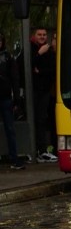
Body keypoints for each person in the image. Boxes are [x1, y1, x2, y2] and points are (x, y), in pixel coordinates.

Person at [31, 27, 57, 163]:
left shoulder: (50, 52)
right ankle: (37, 150)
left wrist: (39, 71)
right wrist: (38, 55)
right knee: (36, 119)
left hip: (45, 91)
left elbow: (52, 70)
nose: (42, 37)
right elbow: (27, 67)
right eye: (39, 34)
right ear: (34, 36)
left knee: (42, 119)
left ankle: (42, 150)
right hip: (33, 91)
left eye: (44, 35)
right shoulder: (32, 50)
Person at [0, 33, 25, 169]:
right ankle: (13, 157)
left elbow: (15, 79)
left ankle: (14, 157)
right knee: (9, 128)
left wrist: (16, 98)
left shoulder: (8, 57)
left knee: (10, 128)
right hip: (5, 97)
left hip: (5, 97)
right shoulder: (8, 57)